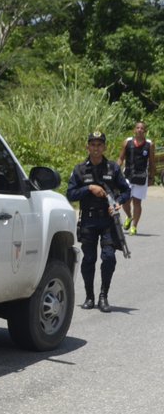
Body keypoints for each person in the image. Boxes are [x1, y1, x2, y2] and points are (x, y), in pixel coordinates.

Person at [67, 131, 131, 312]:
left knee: (109, 258)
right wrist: (89, 188)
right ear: (87, 147)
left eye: (99, 145)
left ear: (104, 147)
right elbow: (70, 194)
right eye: (93, 145)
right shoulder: (79, 170)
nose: (96, 148)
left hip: (108, 221)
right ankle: (89, 296)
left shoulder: (113, 168)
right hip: (88, 220)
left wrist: (118, 203)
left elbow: (127, 191)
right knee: (88, 259)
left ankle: (104, 295)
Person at [118, 121, 154, 235]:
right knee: (126, 200)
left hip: (141, 176)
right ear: (134, 130)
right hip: (128, 175)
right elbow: (121, 158)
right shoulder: (127, 142)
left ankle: (134, 226)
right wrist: (114, 170)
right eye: (137, 128)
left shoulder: (149, 144)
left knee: (137, 202)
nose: (139, 130)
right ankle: (129, 217)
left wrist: (151, 177)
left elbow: (152, 162)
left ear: (145, 131)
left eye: (142, 128)